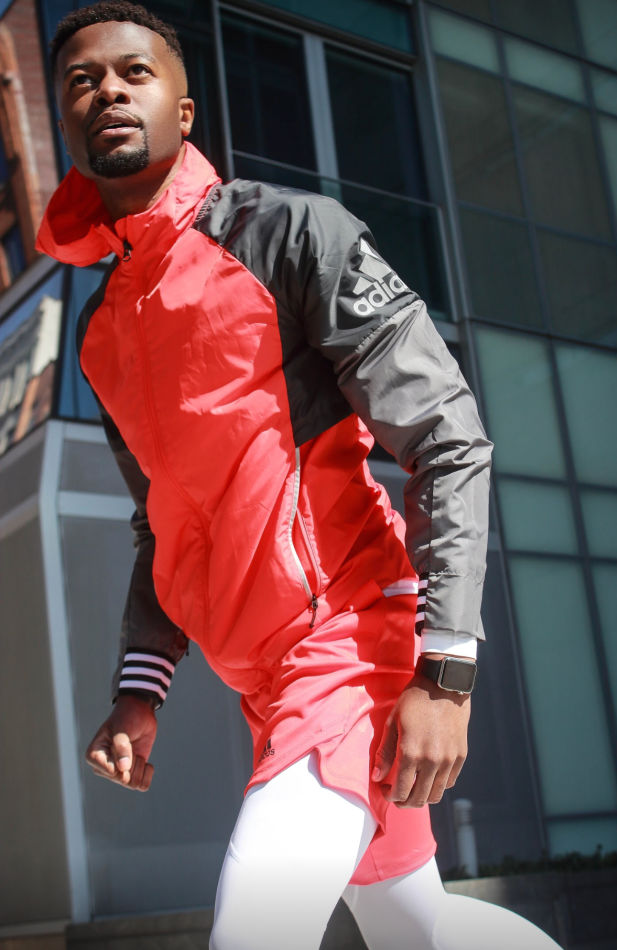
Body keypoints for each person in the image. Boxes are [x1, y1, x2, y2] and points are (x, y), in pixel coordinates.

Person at [38, 3, 562, 948]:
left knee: (255, 930)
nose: (107, 90)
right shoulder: (99, 332)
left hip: (352, 643)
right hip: (265, 679)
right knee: (412, 926)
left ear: (183, 109)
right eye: (82, 81)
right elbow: (161, 521)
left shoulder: (287, 232)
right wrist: (139, 690)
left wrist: (445, 672)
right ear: (64, 122)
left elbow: (446, 437)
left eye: (133, 72)